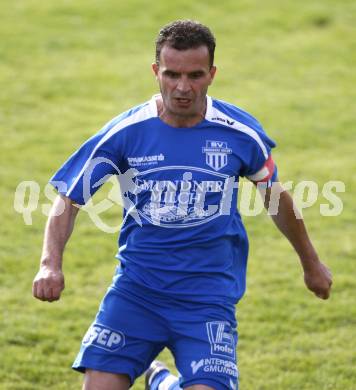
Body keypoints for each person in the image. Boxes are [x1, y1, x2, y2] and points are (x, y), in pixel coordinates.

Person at [32, 20, 332, 390]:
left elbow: (275, 197)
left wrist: (311, 263)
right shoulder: (126, 133)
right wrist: (50, 265)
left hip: (207, 297)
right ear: (156, 71)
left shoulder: (240, 134)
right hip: (136, 292)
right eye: (171, 74)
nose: (182, 87)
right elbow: (69, 199)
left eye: (195, 75)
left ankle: (160, 382)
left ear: (212, 75)